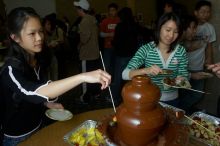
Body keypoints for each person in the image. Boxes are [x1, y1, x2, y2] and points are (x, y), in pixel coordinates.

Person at [0, 7, 111, 146]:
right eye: (32, 33)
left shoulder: (37, 59)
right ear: (15, 37)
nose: (39, 37)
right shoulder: (10, 69)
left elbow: (38, 92)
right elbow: (32, 92)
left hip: (38, 125)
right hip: (17, 137)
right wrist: (82, 76)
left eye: (40, 31)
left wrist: (47, 103)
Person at [122, 12, 189, 107]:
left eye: (176, 32)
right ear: (159, 28)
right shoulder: (146, 49)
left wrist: (181, 80)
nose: (171, 35)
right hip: (150, 99)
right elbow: (124, 74)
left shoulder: (181, 51)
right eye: (168, 30)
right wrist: (146, 70)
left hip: (173, 100)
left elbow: (184, 75)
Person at [182, 0, 216, 113]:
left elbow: (209, 46)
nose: (206, 14)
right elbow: (182, 46)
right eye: (203, 12)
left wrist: (209, 61)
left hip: (198, 65)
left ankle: (181, 111)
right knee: (183, 91)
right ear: (196, 12)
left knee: (197, 94)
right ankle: (180, 111)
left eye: (208, 12)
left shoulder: (209, 28)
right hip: (184, 66)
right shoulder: (186, 25)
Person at [73, 0, 102, 102]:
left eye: (77, 8)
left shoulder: (84, 21)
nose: (76, 10)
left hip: (87, 54)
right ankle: (96, 94)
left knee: (85, 77)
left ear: (81, 9)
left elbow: (84, 39)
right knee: (95, 75)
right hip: (94, 53)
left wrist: (79, 45)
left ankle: (85, 98)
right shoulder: (93, 18)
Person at [111, 7, 140, 105]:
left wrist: (113, 43)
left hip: (121, 55)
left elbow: (116, 41)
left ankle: (115, 98)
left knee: (118, 78)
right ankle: (130, 98)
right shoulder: (134, 25)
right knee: (131, 78)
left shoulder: (120, 26)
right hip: (133, 55)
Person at [99, 3, 120, 75]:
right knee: (107, 66)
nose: (111, 12)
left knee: (115, 65)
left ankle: (114, 81)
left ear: (116, 11)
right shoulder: (105, 21)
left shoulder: (119, 20)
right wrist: (109, 34)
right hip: (107, 47)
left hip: (117, 47)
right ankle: (106, 81)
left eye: (113, 10)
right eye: (110, 10)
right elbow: (101, 34)